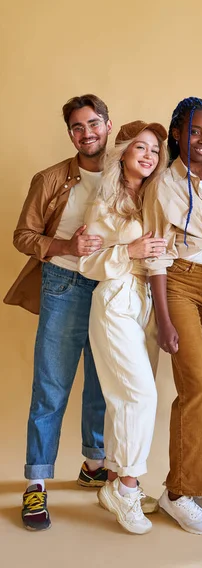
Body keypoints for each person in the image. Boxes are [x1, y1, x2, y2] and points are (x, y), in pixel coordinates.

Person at [4, 94, 112, 531]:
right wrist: (66, 246)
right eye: (77, 127)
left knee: (104, 382)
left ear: (108, 123)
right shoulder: (50, 178)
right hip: (63, 285)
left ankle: (94, 463)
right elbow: (22, 234)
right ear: (70, 133)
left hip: (111, 288)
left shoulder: (129, 171)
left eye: (93, 124)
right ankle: (36, 483)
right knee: (51, 385)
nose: (87, 133)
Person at [142, 97, 202, 535]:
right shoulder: (162, 183)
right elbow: (157, 255)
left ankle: (193, 483)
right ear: (177, 132)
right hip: (176, 283)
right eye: (194, 130)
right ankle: (177, 493)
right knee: (196, 383)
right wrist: (162, 317)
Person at [79, 120, 168, 534]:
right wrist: (128, 249)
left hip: (141, 304)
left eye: (154, 150)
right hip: (114, 299)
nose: (148, 156)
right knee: (139, 394)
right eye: (141, 148)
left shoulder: (151, 198)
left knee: (122, 398)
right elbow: (88, 264)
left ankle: (114, 481)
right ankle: (128, 488)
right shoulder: (105, 200)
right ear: (124, 153)